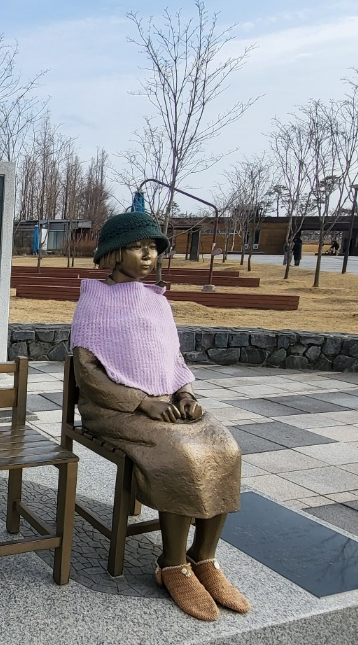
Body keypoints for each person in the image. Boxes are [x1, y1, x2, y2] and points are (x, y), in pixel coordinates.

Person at [70, 210, 246, 623]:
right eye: (138, 246)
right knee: (182, 454)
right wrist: (140, 401)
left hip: (165, 403)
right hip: (114, 409)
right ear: (113, 254)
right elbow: (88, 374)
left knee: (226, 448)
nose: (149, 254)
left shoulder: (157, 300)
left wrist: (185, 392)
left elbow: (172, 357)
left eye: (153, 247)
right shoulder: (95, 301)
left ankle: (203, 559)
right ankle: (171, 566)